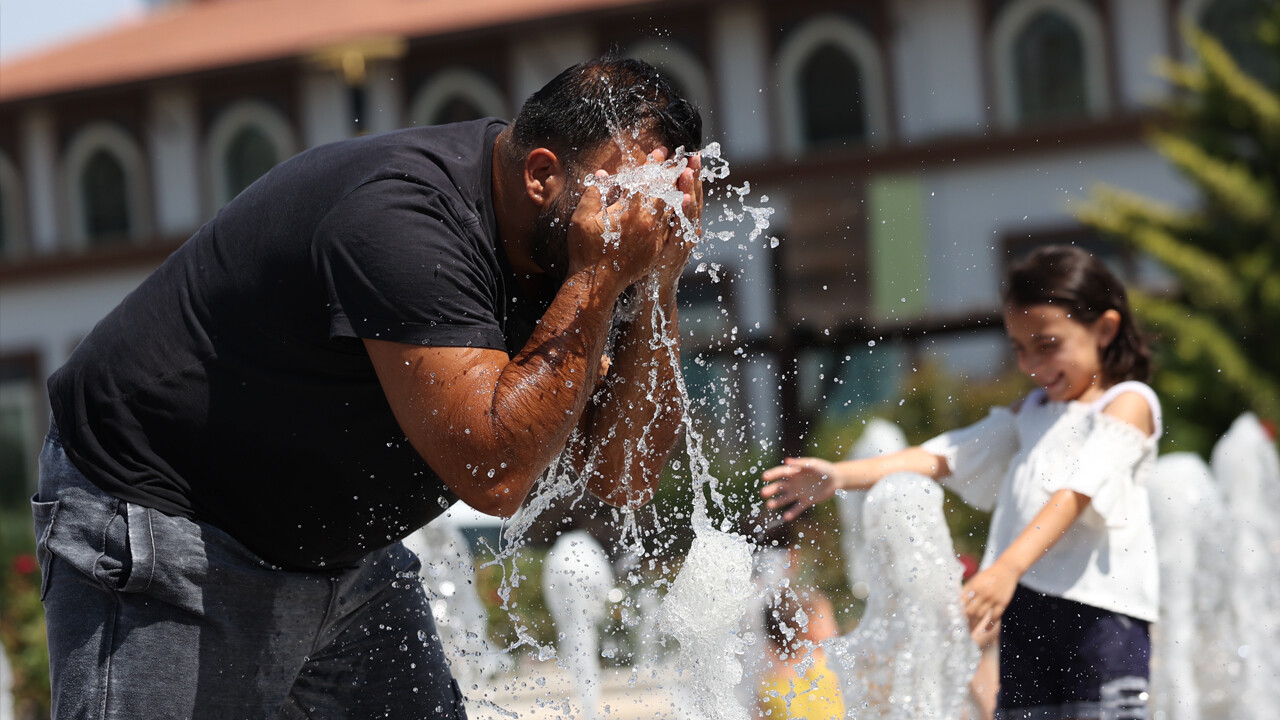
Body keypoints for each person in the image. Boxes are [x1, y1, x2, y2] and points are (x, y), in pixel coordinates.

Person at [33, 56, 703, 719]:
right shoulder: (405, 219)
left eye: (663, 198)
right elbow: (494, 473)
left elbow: (623, 477)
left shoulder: (588, 243)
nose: (641, 221)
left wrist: (658, 286)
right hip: (170, 516)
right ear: (541, 176)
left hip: (337, 545)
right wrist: (596, 279)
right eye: (629, 195)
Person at [762, 245, 1161, 720]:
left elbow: (1076, 493)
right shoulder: (1030, 413)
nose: (1032, 364)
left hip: (1100, 612)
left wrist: (1006, 569)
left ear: (1105, 328)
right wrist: (840, 476)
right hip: (1027, 610)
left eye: (1048, 344)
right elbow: (945, 454)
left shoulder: (1128, 403)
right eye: (1019, 347)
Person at [756, 586, 845, 720]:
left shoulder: (767, 689)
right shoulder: (824, 670)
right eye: (829, 620)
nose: (836, 629)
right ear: (811, 628)